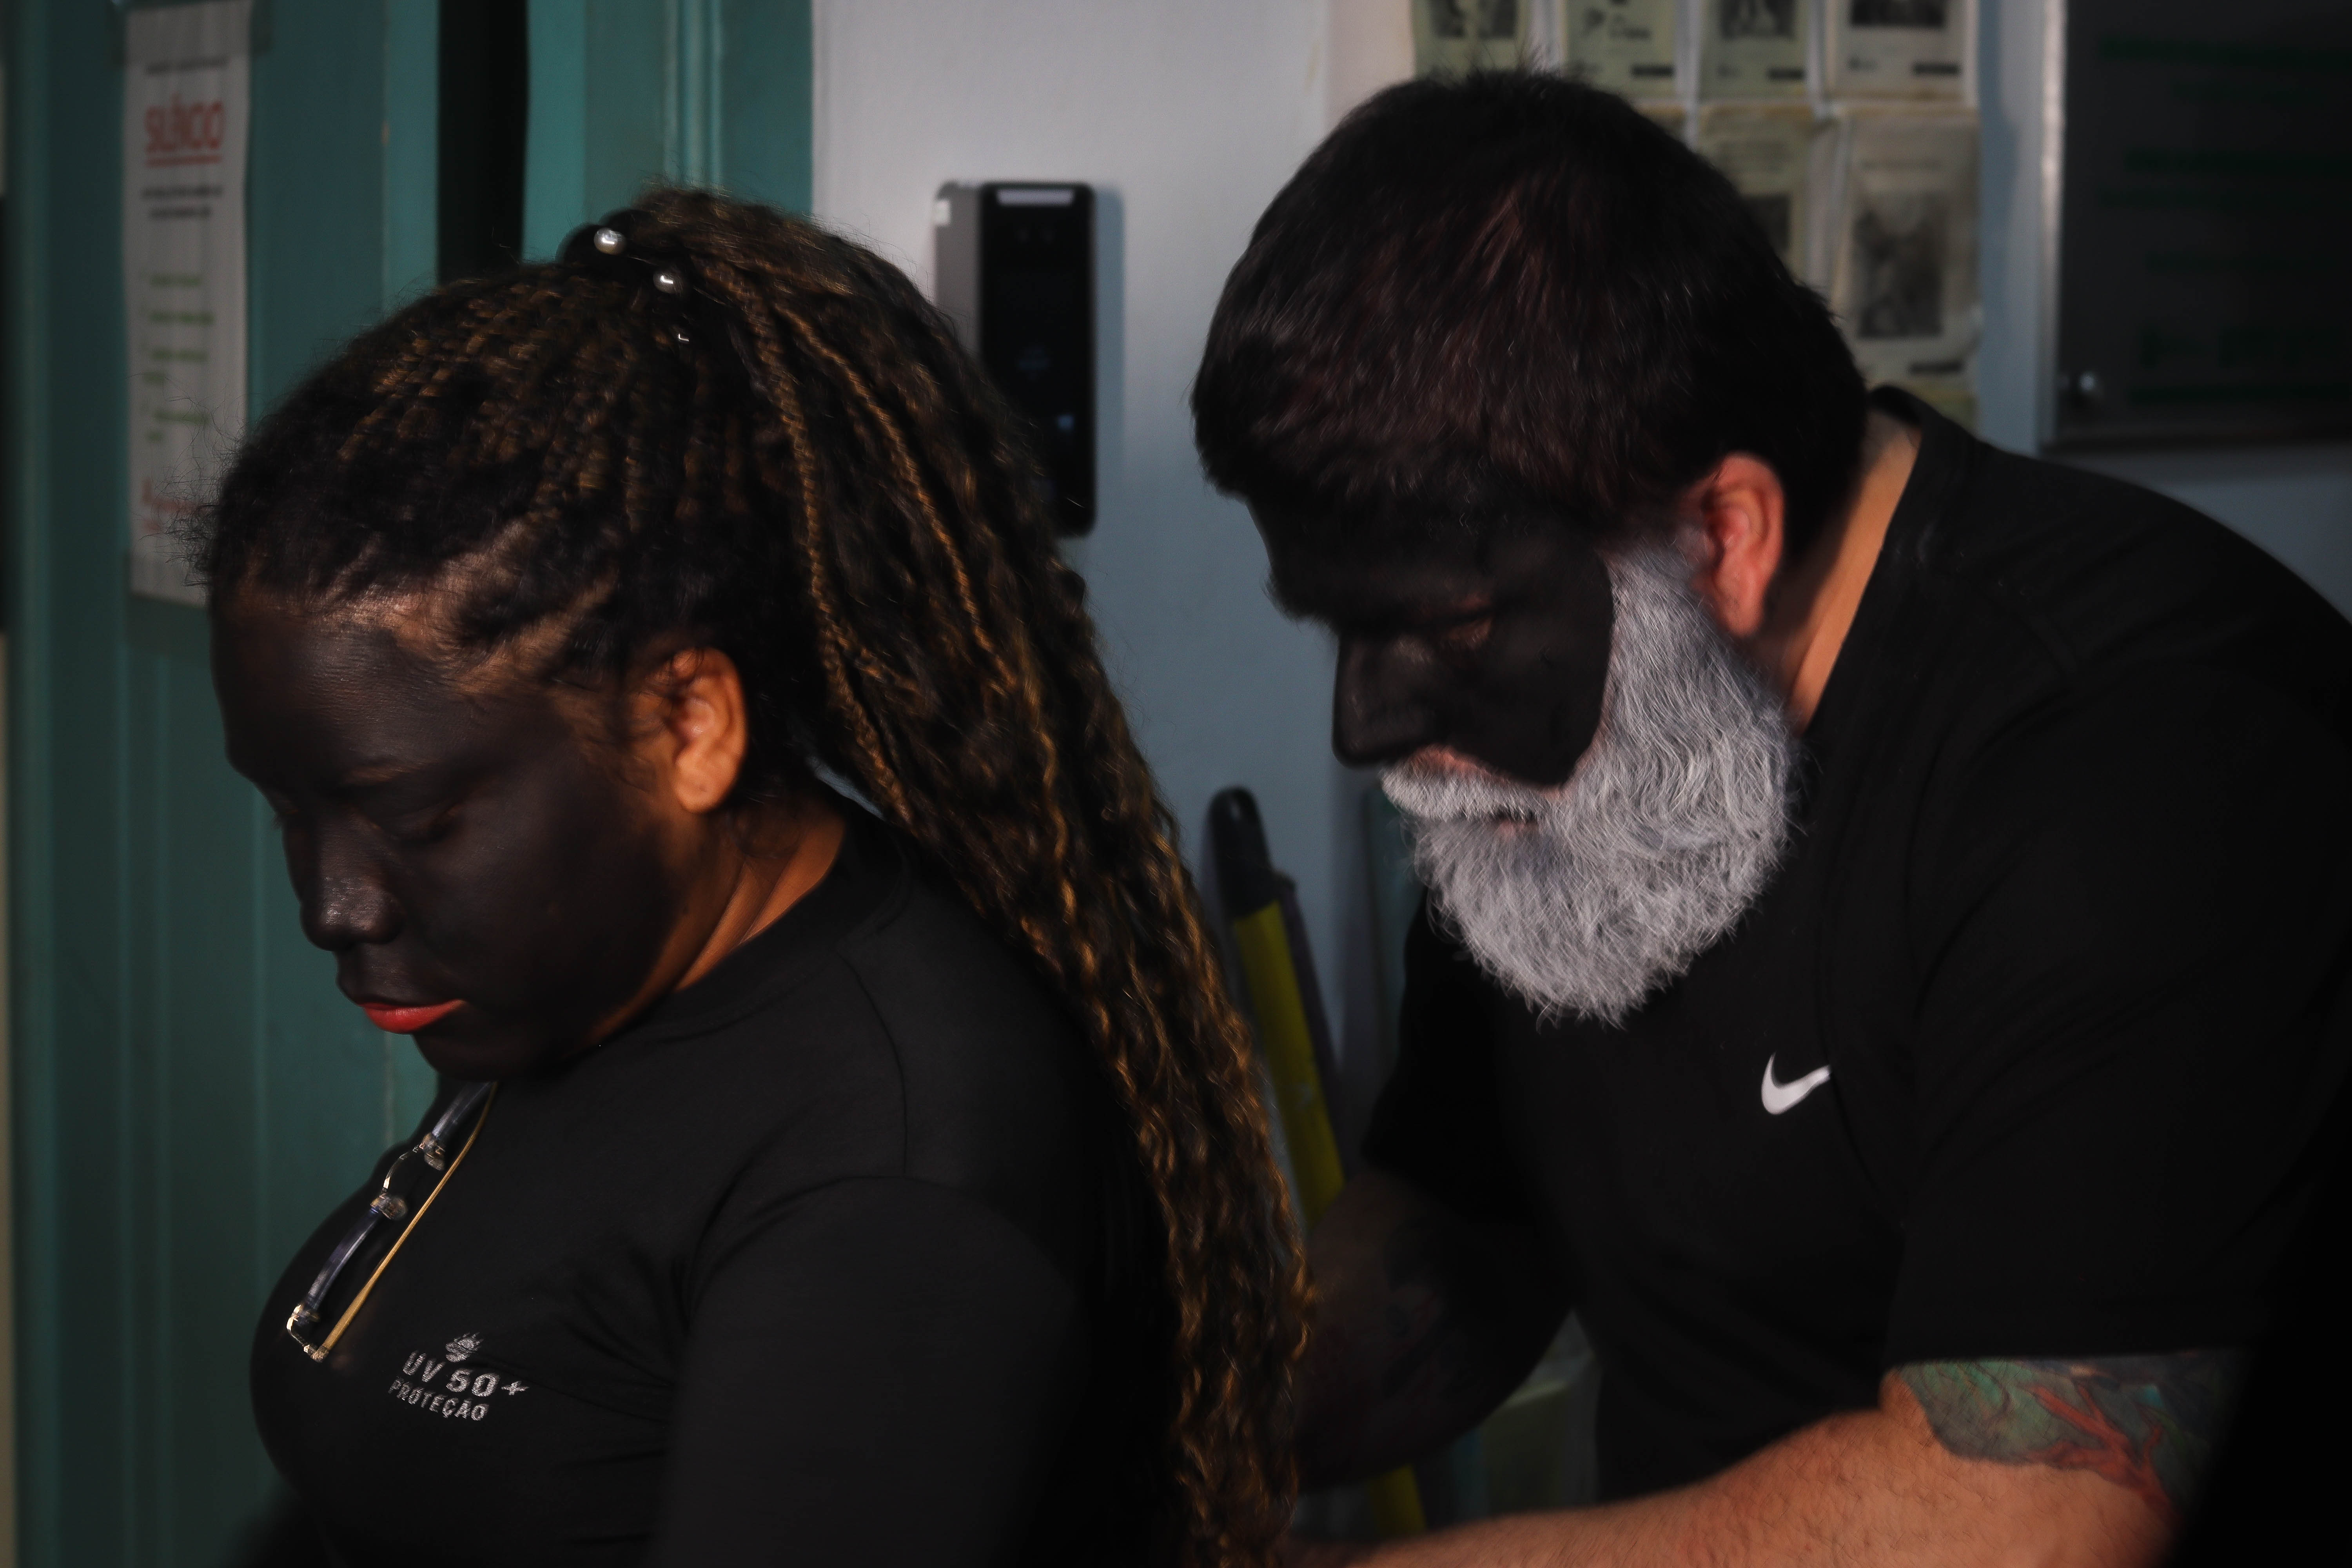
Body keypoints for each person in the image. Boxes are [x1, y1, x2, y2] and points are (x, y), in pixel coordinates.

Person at [1191, 72, 2352, 1564]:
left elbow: (2021, 1526)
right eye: (1342, 632)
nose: (1367, 728)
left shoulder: (2139, 766)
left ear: (1723, 533)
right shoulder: (1568, 759)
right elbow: (1471, 1222)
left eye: (1452, 629)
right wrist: (1183, 1456)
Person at [205, 189, 1303, 1568]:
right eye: (287, 812)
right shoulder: (575, 979)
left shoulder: (891, 1185)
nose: (333, 906)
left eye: (418, 823)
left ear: (688, 725)